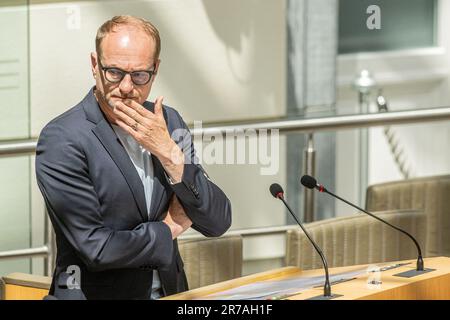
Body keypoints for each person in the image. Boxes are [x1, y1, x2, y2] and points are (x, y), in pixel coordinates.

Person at [35, 15, 232, 300]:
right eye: (114, 72)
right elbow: (96, 248)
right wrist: (168, 229)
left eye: (140, 75)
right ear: (94, 65)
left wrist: (170, 155)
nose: (127, 87)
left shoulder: (167, 121)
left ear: (155, 69)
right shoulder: (62, 138)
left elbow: (217, 221)